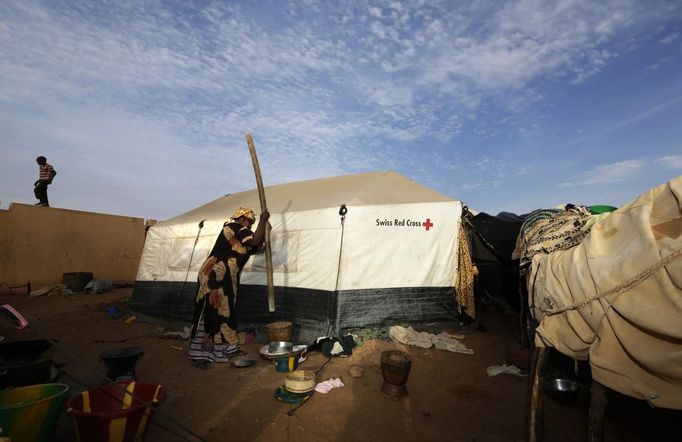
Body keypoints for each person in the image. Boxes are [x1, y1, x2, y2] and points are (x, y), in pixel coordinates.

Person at [188, 207, 270, 368]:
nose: (251, 226)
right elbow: (253, 240)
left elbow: (256, 246)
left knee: (226, 312)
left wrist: (266, 230)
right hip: (214, 275)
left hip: (226, 278)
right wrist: (263, 220)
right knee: (210, 311)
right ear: (243, 219)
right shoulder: (232, 227)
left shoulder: (242, 237)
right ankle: (200, 352)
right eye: (250, 223)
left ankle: (226, 348)